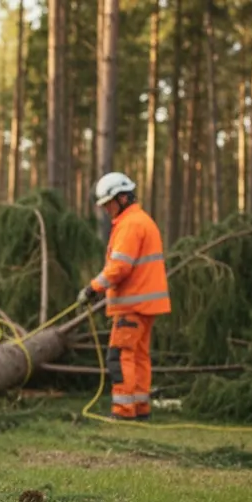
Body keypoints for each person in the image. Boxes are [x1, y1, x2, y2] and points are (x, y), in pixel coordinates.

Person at [77, 172, 171, 421]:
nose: (106, 209)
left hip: (132, 305)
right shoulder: (142, 221)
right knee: (138, 357)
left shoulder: (130, 225)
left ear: (122, 198)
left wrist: (93, 288)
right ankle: (140, 408)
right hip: (145, 304)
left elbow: (119, 267)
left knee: (119, 357)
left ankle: (123, 411)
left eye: (108, 204)